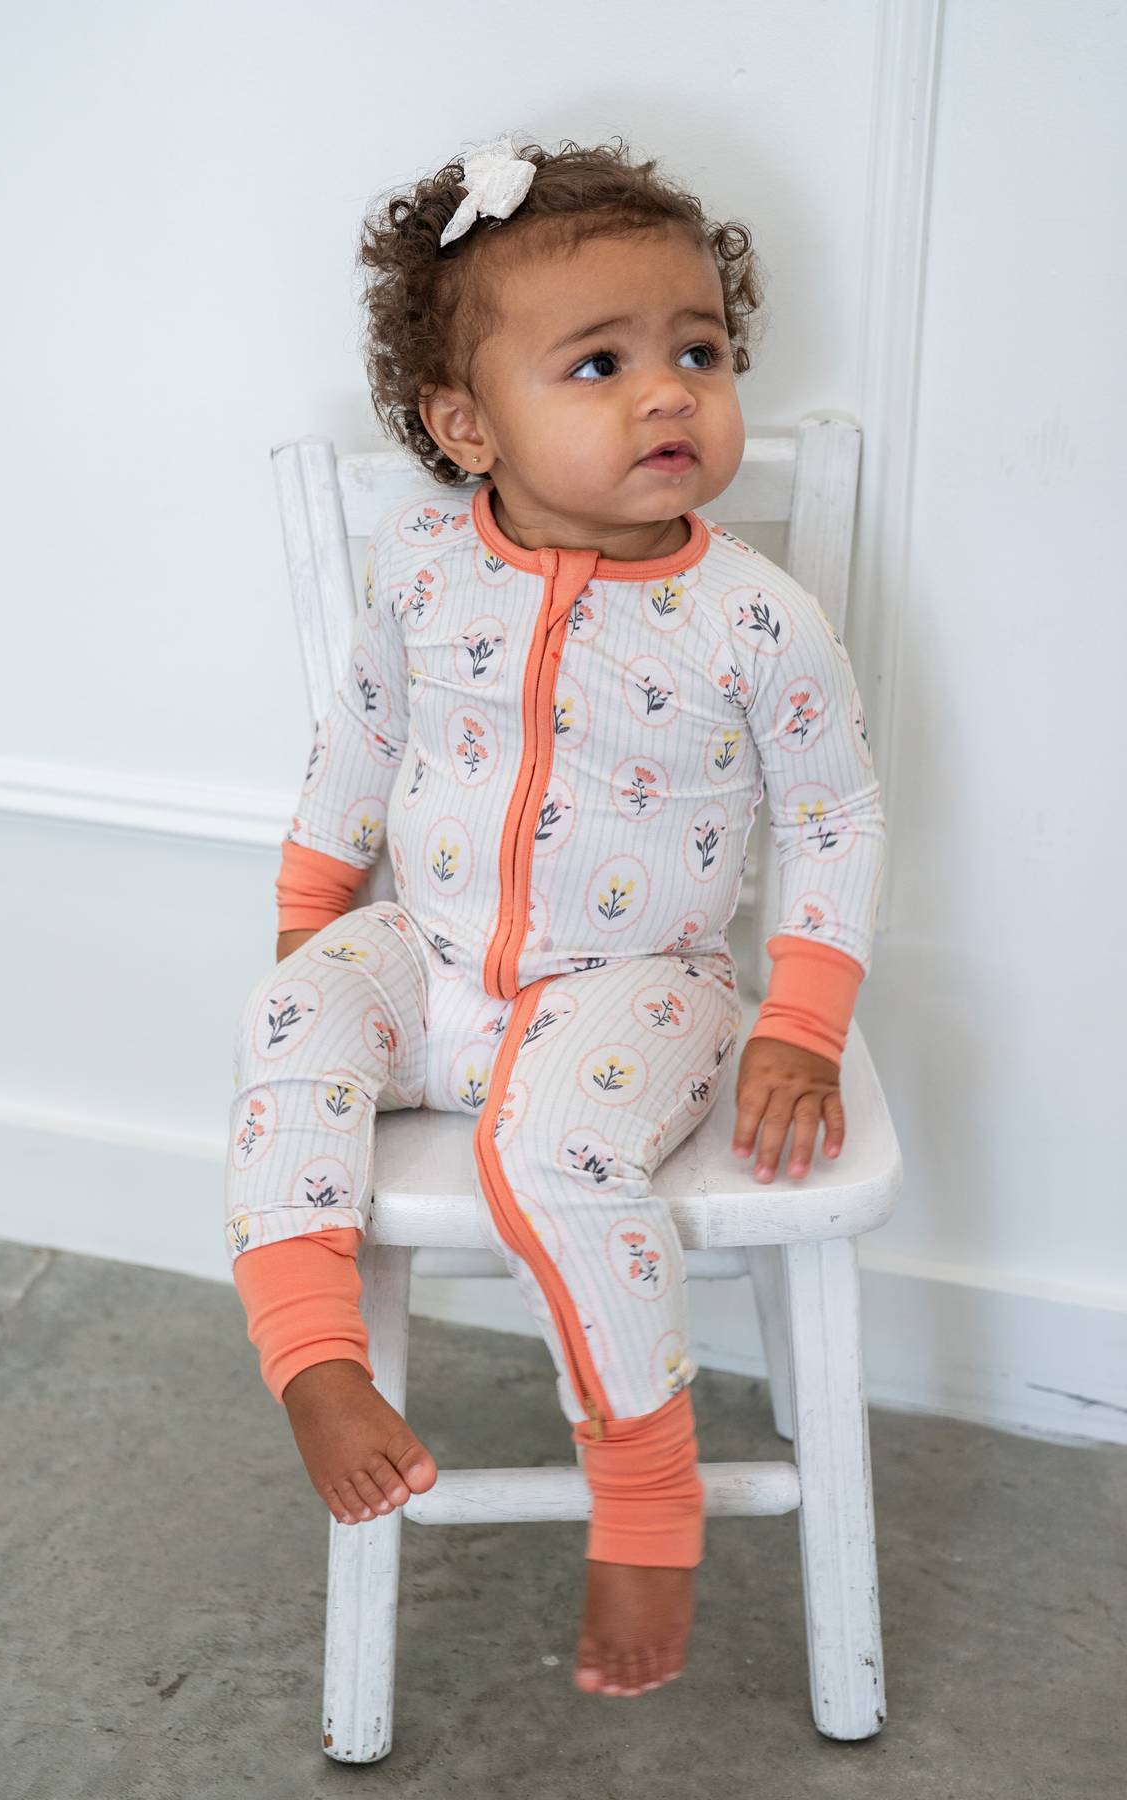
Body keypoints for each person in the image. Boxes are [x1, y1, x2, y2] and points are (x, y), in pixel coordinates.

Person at [223, 134, 886, 1700]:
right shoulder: (425, 566)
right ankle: (313, 1359)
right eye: (601, 364)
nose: (670, 395)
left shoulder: (755, 618)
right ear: (469, 425)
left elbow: (839, 816)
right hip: (434, 958)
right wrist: (314, 920)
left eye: (699, 353)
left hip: (639, 987)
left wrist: (803, 1023)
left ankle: (647, 1490)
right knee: (285, 1018)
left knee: (554, 1155)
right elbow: (360, 738)